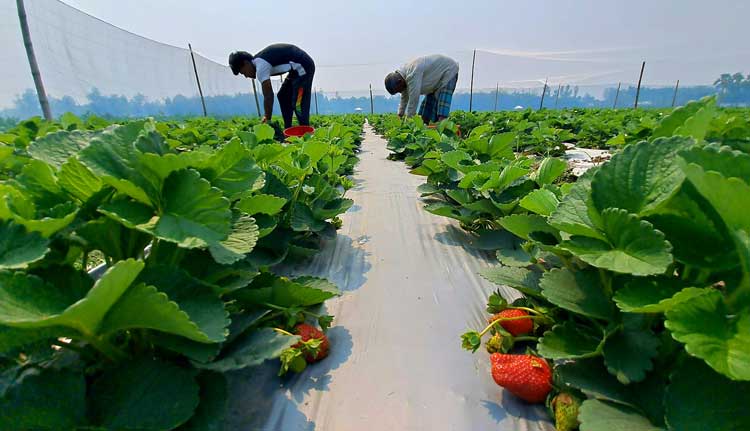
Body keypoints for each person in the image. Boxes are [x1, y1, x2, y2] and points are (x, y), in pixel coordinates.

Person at [229, 44, 315, 128]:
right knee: (283, 95)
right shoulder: (259, 62)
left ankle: (305, 131)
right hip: (295, 70)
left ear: (246, 63)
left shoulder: (260, 66)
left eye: (243, 72)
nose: (246, 76)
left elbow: (268, 95)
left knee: (298, 103)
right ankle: (288, 129)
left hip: (304, 67)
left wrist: (267, 118)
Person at [384, 54, 459, 124]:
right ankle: (428, 132)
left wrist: (408, 123)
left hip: (449, 71)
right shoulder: (403, 78)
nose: (401, 92)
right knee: (424, 114)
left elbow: (413, 100)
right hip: (435, 82)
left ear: (399, 82)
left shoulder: (412, 73)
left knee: (441, 113)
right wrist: (400, 115)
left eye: (399, 90)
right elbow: (404, 97)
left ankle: (444, 133)